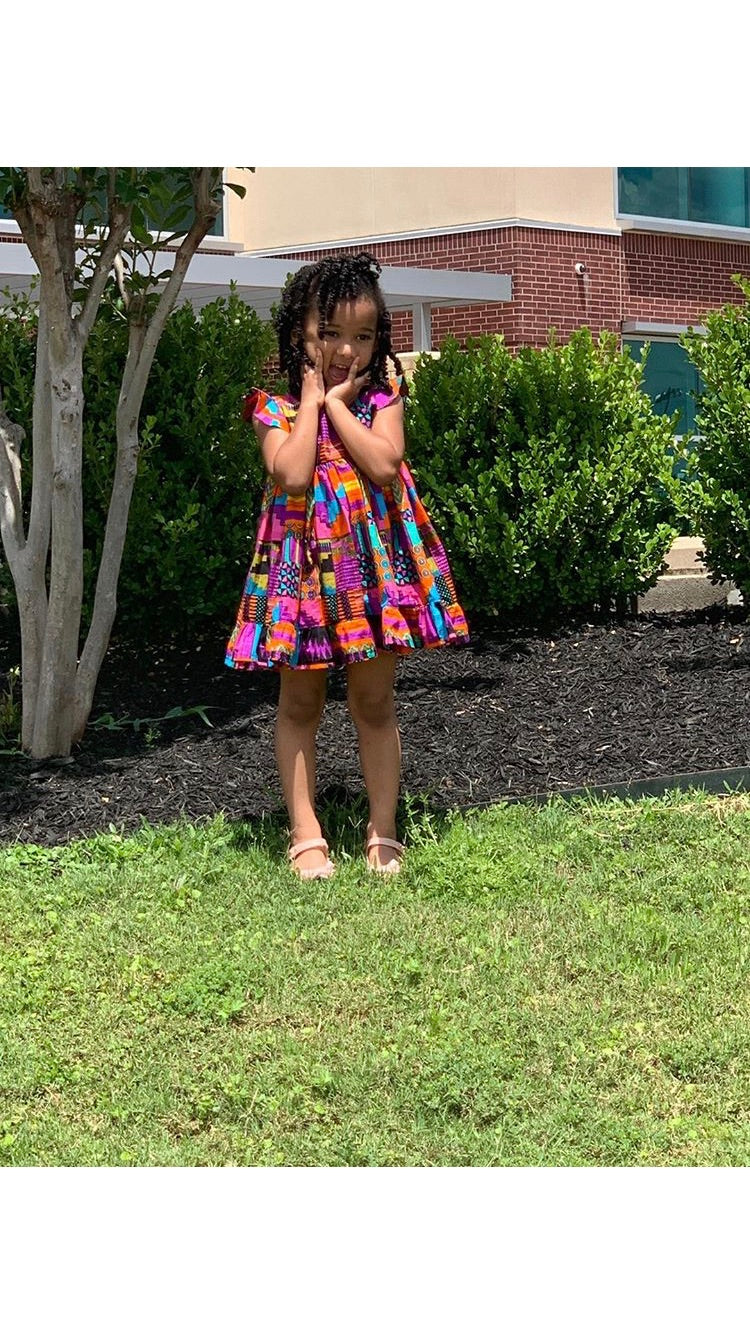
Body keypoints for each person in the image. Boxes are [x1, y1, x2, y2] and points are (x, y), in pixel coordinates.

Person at [225, 252, 469, 880]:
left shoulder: (383, 400)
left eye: (362, 336)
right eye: (329, 333)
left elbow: (385, 465)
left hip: (373, 576)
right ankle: (306, 836)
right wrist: (312, 401)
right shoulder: (272, 411)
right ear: (298, 335)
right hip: (302, 576)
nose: (345, 349)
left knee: (375, 703)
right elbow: (294, 474)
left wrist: (338, 407)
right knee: (299, 703)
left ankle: (383, 831)